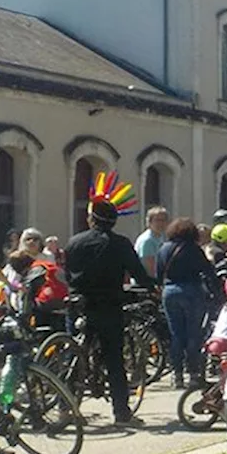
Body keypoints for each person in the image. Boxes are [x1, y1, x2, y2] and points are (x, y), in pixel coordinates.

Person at [64, 173, 154, 426]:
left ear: (91, 219)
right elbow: (138, 273)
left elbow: (68, 273)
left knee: (75, 355)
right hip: (109, 306)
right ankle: (121, 413)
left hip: (79, 304)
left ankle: (65, 406)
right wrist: (150, 288)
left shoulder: (75, 242)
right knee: (114, 360)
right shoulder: (121, 244)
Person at [157, 218, 217, 389]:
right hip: (192, 291)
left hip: (169, 292)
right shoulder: (193, 249)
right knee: (193, 333)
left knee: (176, 334)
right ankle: (193, 373)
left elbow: (159, 274)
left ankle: (177, 375)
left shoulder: (163, 249)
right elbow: (208, 271)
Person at [135, 206, 170, 278]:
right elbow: (149, 270)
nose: (161, 223)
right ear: (149, 222)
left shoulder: (159, 237)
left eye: (163, 220)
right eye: (157, 220)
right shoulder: (147, 240)